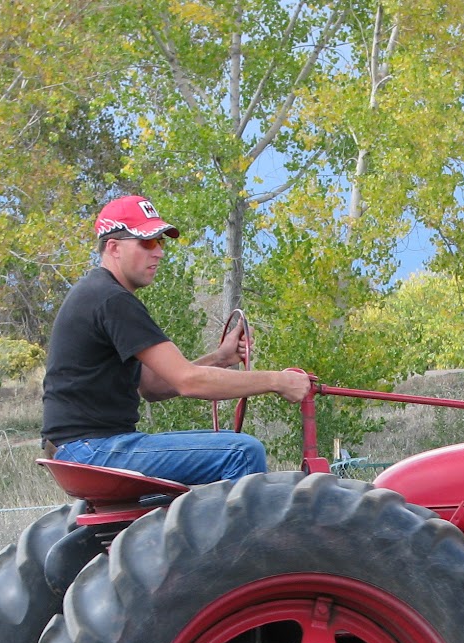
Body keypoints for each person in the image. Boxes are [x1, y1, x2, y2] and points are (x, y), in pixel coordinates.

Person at [40, 194, 311, 485]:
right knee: (241, 452)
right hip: (92, 450)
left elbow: (154, 387)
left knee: (230, 443)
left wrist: (219, 358)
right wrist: (277, 381)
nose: (158, 252)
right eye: (147, 242)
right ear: (114, 248)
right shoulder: (111, 300)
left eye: (161, 242)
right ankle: (238, 531)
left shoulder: (98, 294)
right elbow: (189, 380)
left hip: (82, 448)